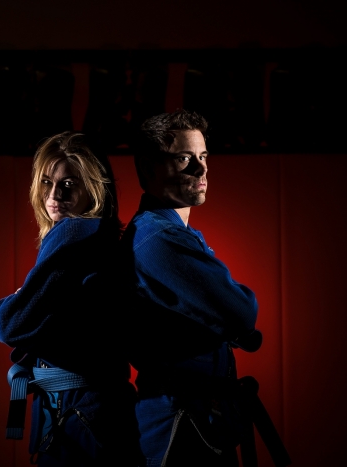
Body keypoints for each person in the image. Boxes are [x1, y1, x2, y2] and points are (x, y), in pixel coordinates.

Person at [119, 109, 264, 467]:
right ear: (148, 168)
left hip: (205, 418)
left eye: (202, 157)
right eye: (184, 158)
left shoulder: (175, 234)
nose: (200, 169)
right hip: (180, 424)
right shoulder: (157, 238)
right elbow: (241, 311)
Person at [0, 131, 143, 467]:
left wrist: (11, 303)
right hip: (97, 412)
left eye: (69, 183)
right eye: (47, 182)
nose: (54, 195)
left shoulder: (74, 232)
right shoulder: (101, 237)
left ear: (92, 187)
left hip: (80, 415)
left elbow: (10, 325)